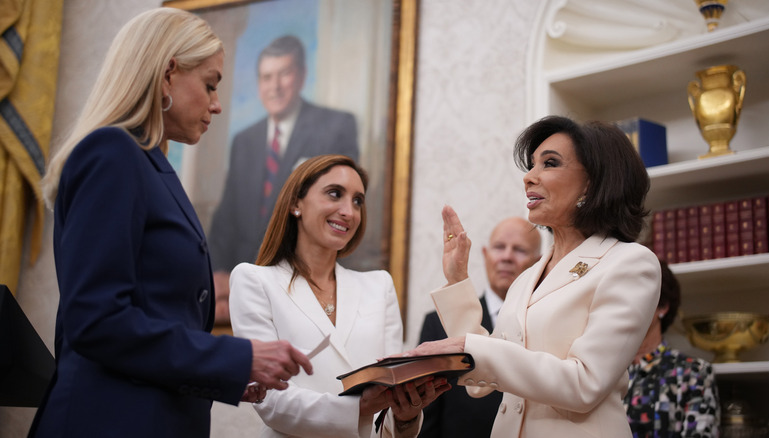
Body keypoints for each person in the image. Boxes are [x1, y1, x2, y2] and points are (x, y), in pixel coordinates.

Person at [30, 8, 312, 437]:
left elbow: (160, 323)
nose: (217, 105)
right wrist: (237, 358)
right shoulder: (112, 153)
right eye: (210, 85)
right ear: (167, 75)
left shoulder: (150, 168)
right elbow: (96, 320)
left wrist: (230, 376)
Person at [404, 115, 662, 437]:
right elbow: (481, 382)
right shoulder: (528, 277)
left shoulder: (630, 263)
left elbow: (585, 384)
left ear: (591, 183)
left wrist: (471, 349)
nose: (528, 177)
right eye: (531, 165)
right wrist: (457, 280)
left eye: (549, 163)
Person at [229, 154, 450, 437]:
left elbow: (391, 399)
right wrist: (358, 407)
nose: (349, 211)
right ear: (296, 203)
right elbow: (269, 399)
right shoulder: (255, 280)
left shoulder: (379, 286)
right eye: (335, 194)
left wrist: (405, 416)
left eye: (358, 200)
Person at [209, 35, 359, 324]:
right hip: (246, 287)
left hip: (303, 289)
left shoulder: (336, 127)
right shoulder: (244, 140)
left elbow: (341, 211)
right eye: (266, 77)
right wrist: (218, 274)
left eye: (284, 74)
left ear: (302, 77)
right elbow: (226, 217)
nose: (274, 86)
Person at [418, 217, 542, 437]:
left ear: (539, 262)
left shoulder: (543, 323)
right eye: (499, 247)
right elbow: (427, 415)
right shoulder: (438, 324)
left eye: (519, 250)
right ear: (485, 254)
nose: (507, 257)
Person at [624, 260, 720, 437]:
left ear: (662, 306)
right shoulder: (605, 370)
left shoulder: (694, 373)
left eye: (637, 294)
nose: (627, 305)